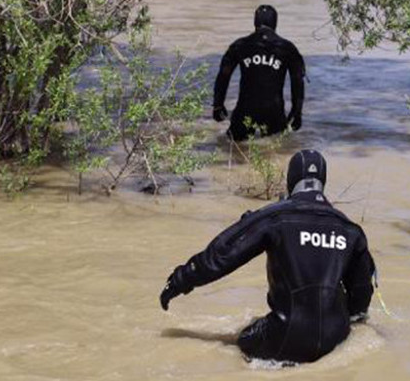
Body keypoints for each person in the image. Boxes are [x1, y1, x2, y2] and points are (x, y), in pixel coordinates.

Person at [159, 150, 377, 363]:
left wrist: (180, 280)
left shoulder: (275, 217)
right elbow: (361, 295)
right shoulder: (350, 230)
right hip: (336, 336)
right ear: (323, 181)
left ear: (291, 180)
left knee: (242, 342)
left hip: (284, 338)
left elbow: (223, 255)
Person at [212, 5, 306, 141]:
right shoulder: (287, 48)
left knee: (233, 148)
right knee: (276, 151)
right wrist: (297, 111)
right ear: (275, 23)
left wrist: (218, 105)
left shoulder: (240, 45)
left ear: (255, 22)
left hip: (245, 109)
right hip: (274, 110)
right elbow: (297, 81)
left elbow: (223, 76)